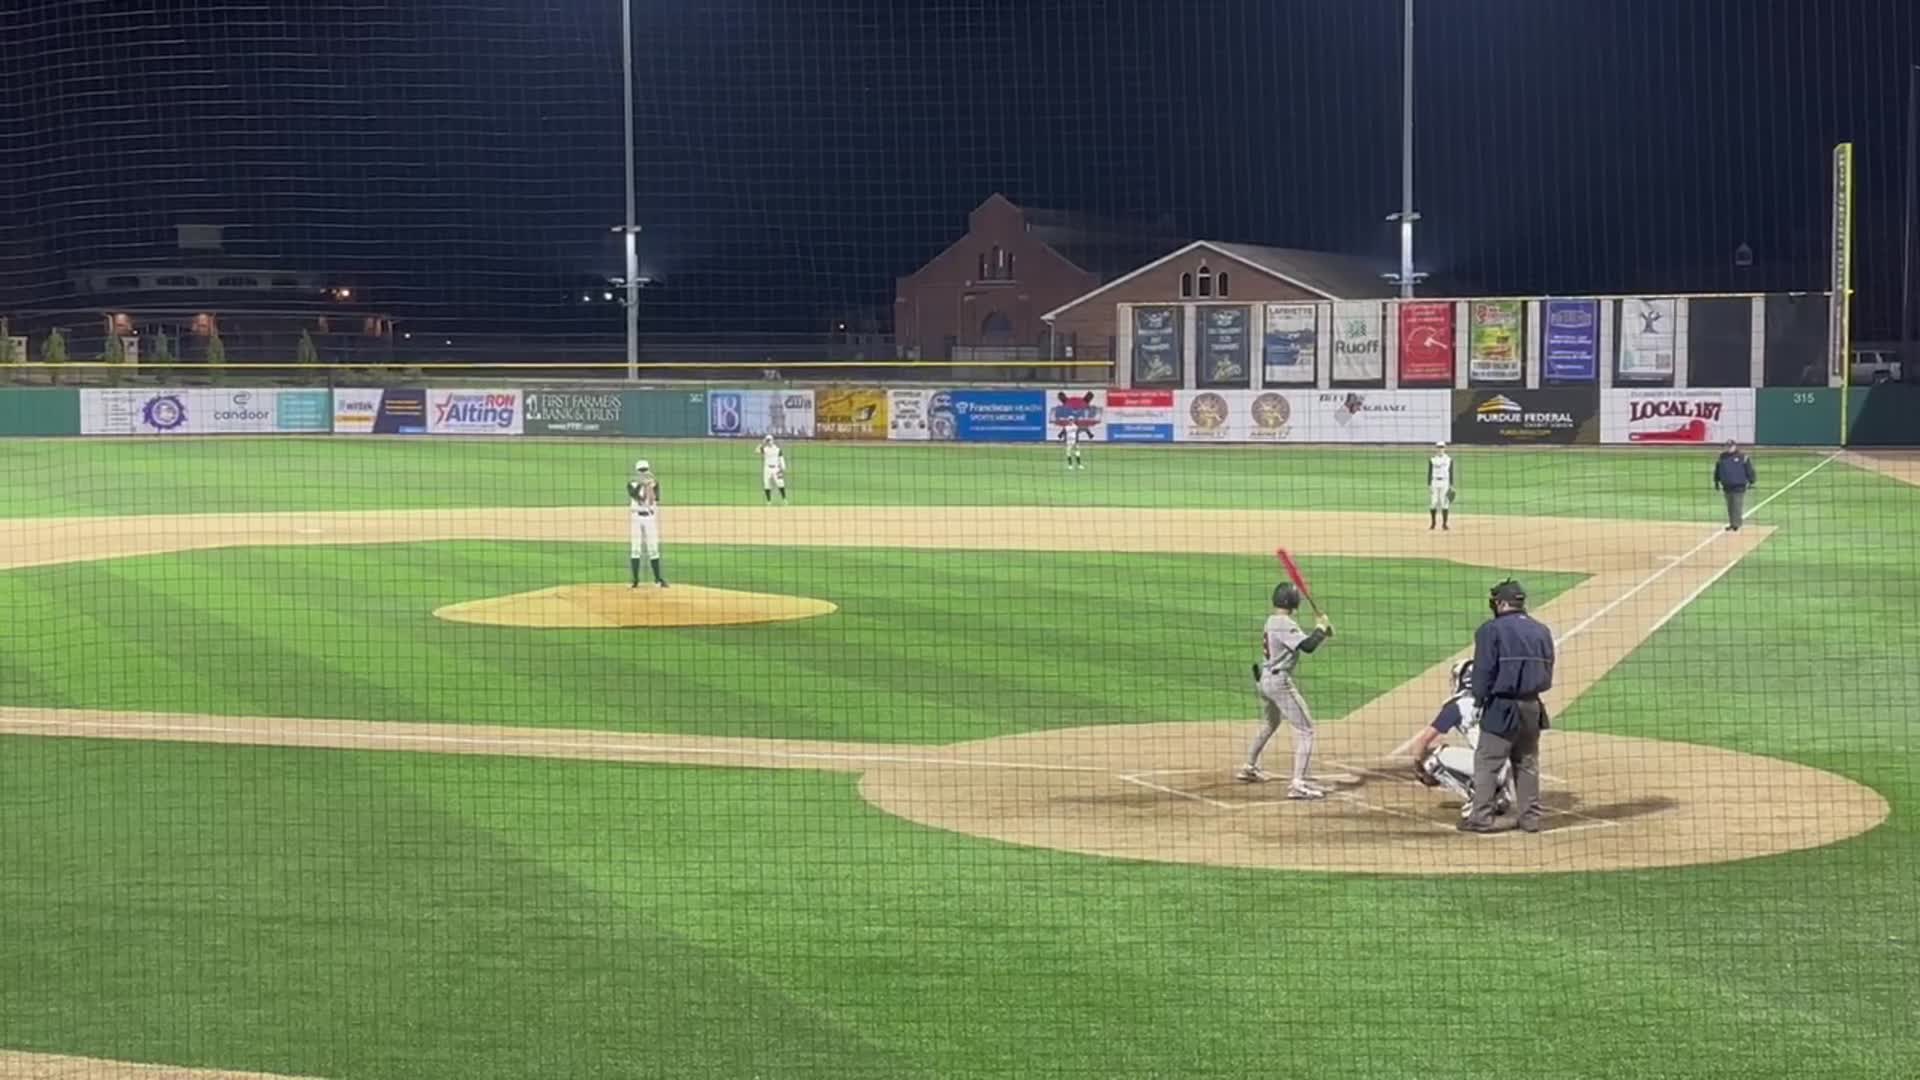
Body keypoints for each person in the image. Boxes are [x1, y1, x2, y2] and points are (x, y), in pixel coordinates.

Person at [1460, 579, 1555, 833]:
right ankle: (1530, 819)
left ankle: (1480, 818)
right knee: (1526, 762)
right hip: (1532, 705)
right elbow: (1548, 671)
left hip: (1502, 706)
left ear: (1501, 604)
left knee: (1487, 762)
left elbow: (1484, 670)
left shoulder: (1490, 630)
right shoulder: (1542, 630)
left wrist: (1478, 699)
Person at [1237, 584, 1334, 800]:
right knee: (1306, 729)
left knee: (1271, 723)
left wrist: (1322, 632)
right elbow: (1307, 647)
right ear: (1293, 602)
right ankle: (1298, 784)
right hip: (1278, 683)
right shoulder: (1284, 623)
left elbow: (1305, 643)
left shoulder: (1272, 620)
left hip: (1264, 680)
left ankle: (1249, 767)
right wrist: (1320, 628)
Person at [1407, 659, 1515, 819]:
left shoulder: (1456, 706)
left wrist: (1418, 766)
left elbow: (1423, 740)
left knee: (1431, 758)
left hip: (1490, 766)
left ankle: (1480, 800)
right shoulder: (1496, 700)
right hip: (1511, 767)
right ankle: (1501, 796)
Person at [627, 459, 668, 588]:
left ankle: (657, 580)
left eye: (645, 470)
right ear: (637, 472)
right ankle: (635, 580)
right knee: (635, 549)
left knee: (653, 548)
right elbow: (636, 497)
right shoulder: (631, 484)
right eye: (641, 471)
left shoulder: (655, 484)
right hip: (636, 519)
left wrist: (649, 486)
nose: (643, 473)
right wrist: (641, 484)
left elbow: (652, 500)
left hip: (650, 518)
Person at [1713, 440, 1756, 532]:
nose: (1729, 448)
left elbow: (1749, 470)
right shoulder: (1722, 457)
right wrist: (1716, 481)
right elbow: (1717, 470)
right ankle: (1732, 523)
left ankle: (1736, 524)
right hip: (1727, 485)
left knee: (1737, 505)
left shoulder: (1743, 457)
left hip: (1739, 486)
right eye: (1727, 446)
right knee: (1730, 506)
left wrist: (1751, 481)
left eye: (1731, 446)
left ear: (1735, 446)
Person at [1427, 441, 1456, 530]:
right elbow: (1430, 472)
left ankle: (1444, 524)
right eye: (1439, 447)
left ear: (1445, 448)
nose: (1440, 449)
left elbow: (1451, 472)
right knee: (1433, 503)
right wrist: (1429, 484)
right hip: (1434, 482)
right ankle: (1433, 523)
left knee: (1445, 503)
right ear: (1436, 448)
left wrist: (1451, 485)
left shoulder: (1449, 459)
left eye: (1442, 447)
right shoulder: (1432, 459)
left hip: (1445, 483)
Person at [759, 435, 789, 503]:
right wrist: (762, 443)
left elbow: (781, 458)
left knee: (781, 483)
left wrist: (783, 467)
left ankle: (784, 499)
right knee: (766, 484)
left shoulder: (777, 449)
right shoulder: (765, 449)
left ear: (773, 440)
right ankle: (768, 501)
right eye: (767, 440)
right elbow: (757, 450)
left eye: (769, 440)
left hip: (777, 469)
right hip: (767, 469)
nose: (769, 442)